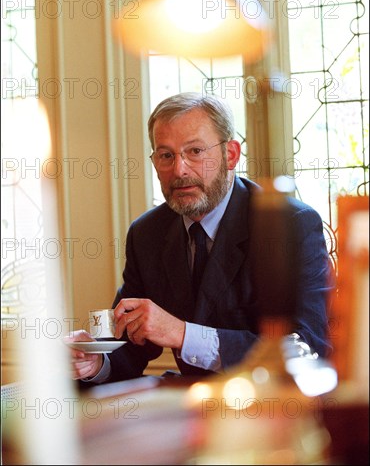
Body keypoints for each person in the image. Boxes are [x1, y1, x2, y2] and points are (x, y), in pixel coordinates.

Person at [68, 92, 333, 384]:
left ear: (230, 155)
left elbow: (308, 349)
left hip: (272, 409)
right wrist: (95, 362)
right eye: (166, 155)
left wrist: (182, 334)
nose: (179, 170)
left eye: (195, 151)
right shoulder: (146, 233)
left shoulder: (289, 226)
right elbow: (130, 347)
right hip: (190, 410)